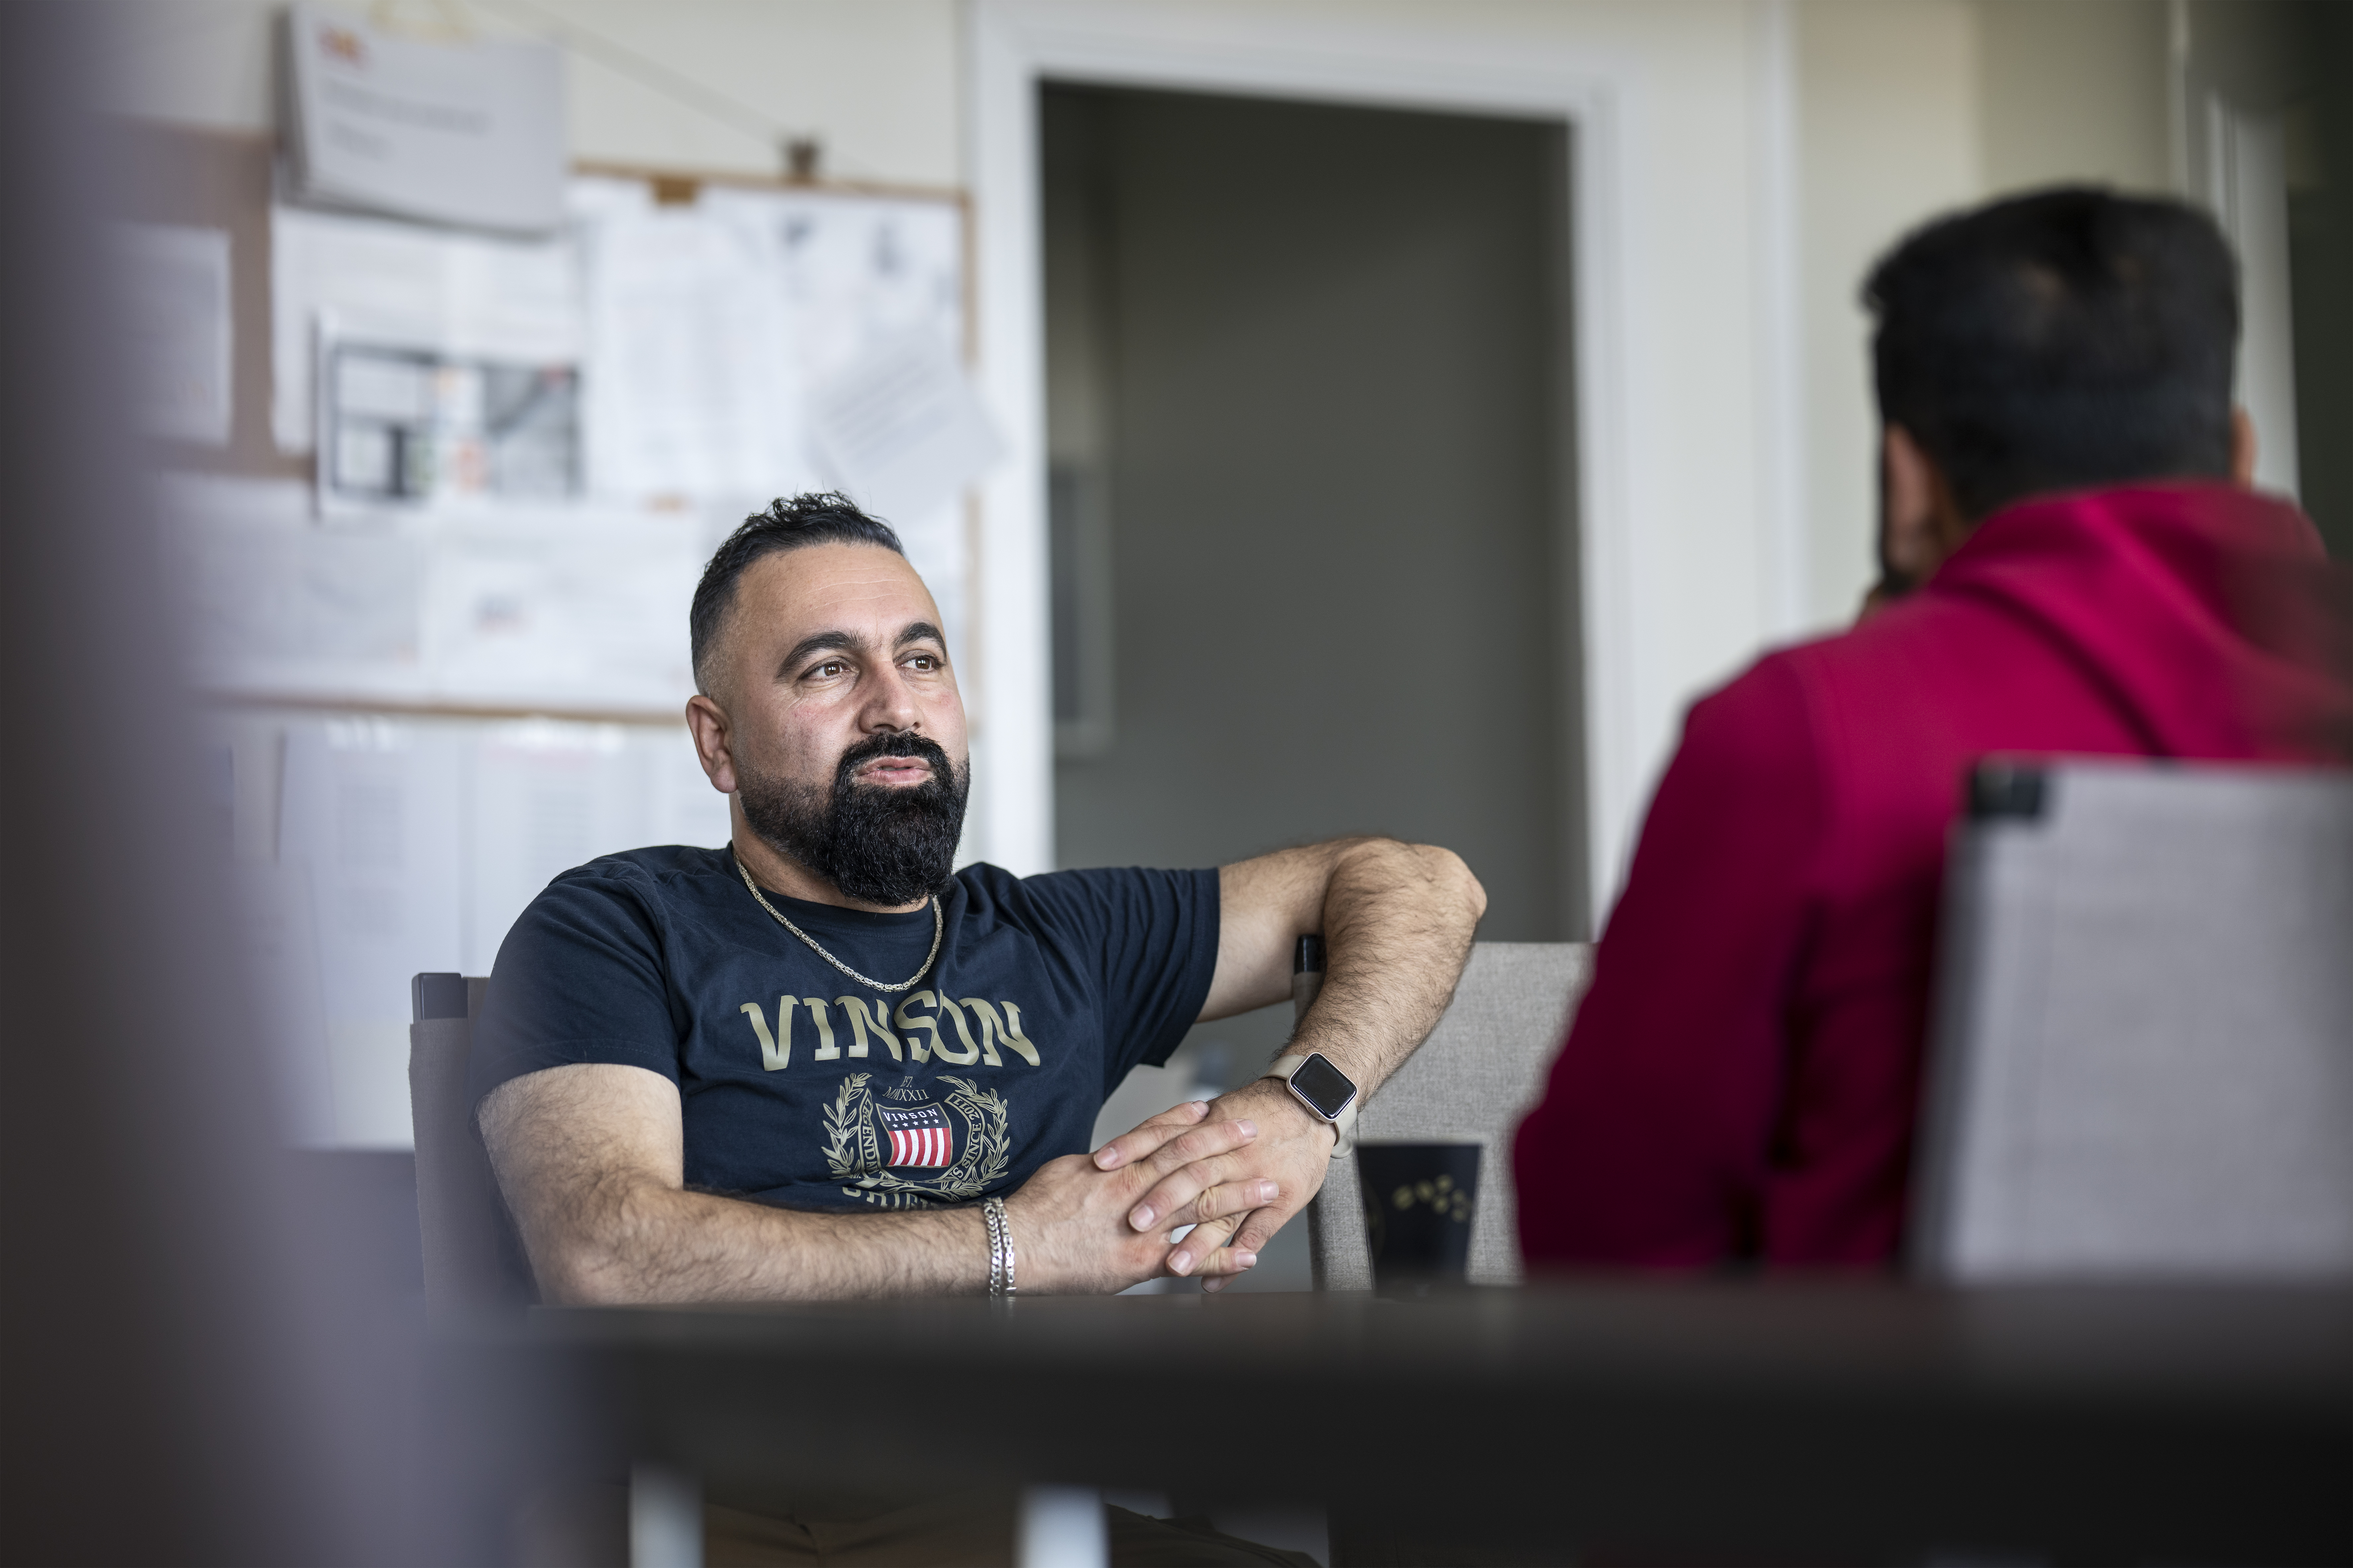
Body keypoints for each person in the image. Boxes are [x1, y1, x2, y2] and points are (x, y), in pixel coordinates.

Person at [1513, 187, 2353, 1269]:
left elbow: (1605, 1219)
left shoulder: (1808, 730)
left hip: (1906, 1433)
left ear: (1908, 480)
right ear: (2240, 452)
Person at [473, 492, 1485, 1305]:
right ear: (718, 742)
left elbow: (1424, 885)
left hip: (1038, 1506)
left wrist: (1307, 1105)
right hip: (746, 1511)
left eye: (922, 659)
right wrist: (1014, 1245)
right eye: (829, 669)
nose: (896, 706)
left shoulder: (1063, 938)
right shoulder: (616, 928)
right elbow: (605, 1255)